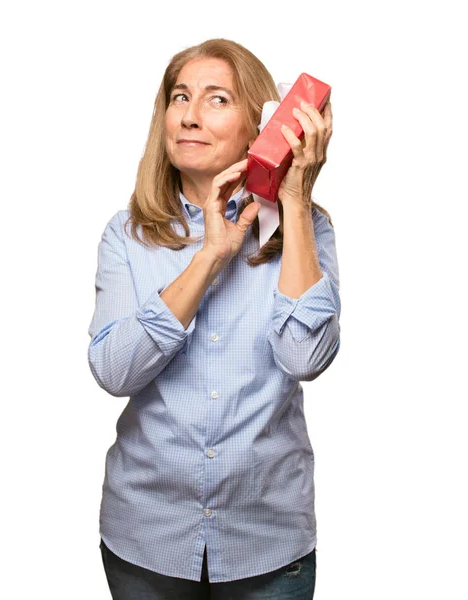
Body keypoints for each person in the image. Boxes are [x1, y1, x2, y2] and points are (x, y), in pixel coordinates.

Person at [88, 38, 340, 600]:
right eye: (180, 97)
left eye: (217, 99)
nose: (190, 114)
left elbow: (304, 357)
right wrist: (208, 258)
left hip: (268, 540)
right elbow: (112, 371)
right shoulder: (126, 235)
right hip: (147, 537)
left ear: (261, 123)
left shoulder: (309, 232)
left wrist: (293, 199)